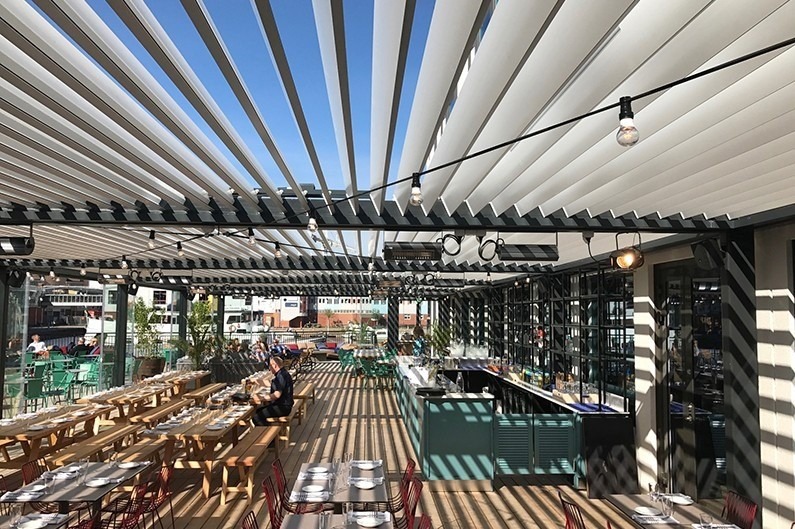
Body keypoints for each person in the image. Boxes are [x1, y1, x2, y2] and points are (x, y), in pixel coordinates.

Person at [251, 356, 294, 425]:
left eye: (270, 366)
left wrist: (260, 399)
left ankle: (267, 433)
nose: (269, 368)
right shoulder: (282, 373)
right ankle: (267, 429)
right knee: (258, 410)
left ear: (275, 365)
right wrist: (256, 381)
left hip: (283, 407)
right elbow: (272, 384)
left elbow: (276, 395)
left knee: (256, 417)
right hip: (284, 405)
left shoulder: (281, 376)